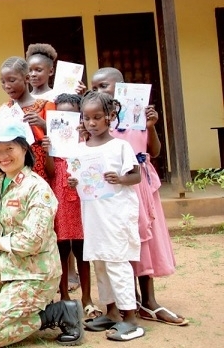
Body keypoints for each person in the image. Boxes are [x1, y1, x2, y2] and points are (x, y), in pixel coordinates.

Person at [0, 120, 83, 347]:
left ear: (24, 149)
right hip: (7, 266)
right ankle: (9, 307)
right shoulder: (1, 182)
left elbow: (33, 241)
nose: (3, 156)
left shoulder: (37, 188)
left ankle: (57, 313)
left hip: (35, 275)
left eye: (10, 148)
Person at [91, 67, 188, 327]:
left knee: (144, 238)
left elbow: (154, 150)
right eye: (94, 86)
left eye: (103, 86)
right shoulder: (100, 122)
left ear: (121, 89)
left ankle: (149, 300)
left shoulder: (136, 118)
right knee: (121, 240)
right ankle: (127, 300)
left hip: (140, 184)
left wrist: (151, 127)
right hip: (113, 188)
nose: (98, 90)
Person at [69, 91, 144, 341]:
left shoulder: (120, 146)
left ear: (110, 117)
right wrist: (73, 182)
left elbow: (136, 176)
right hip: (94, 216)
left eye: (97, 117)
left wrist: (120, 179)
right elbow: (78, 177)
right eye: (87, 118)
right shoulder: (79, 150)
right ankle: (111, 312)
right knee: (99, 262)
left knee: (117, 262)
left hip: (116, 215)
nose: (92, 123)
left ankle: (130, 317)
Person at [41, 93, 97, 319]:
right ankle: (64, 296)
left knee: (83, 251)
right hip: (60, 201)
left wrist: (84, 142)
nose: (67, 118)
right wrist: (47, 151)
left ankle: (87, 299)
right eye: (61, 114)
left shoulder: (87, 141)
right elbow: (51, 172)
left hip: (82, 201)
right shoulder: (54, 142)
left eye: (72, 114)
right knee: (62, 249)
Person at [0, 56, 55, 181]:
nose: (7, 86)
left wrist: (44, 125)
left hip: (40, 167)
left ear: (27, 78)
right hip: (12, 167)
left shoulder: (45, 105)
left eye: (12, 80)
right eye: (3, 82)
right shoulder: (4, 110)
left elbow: (60, 139)